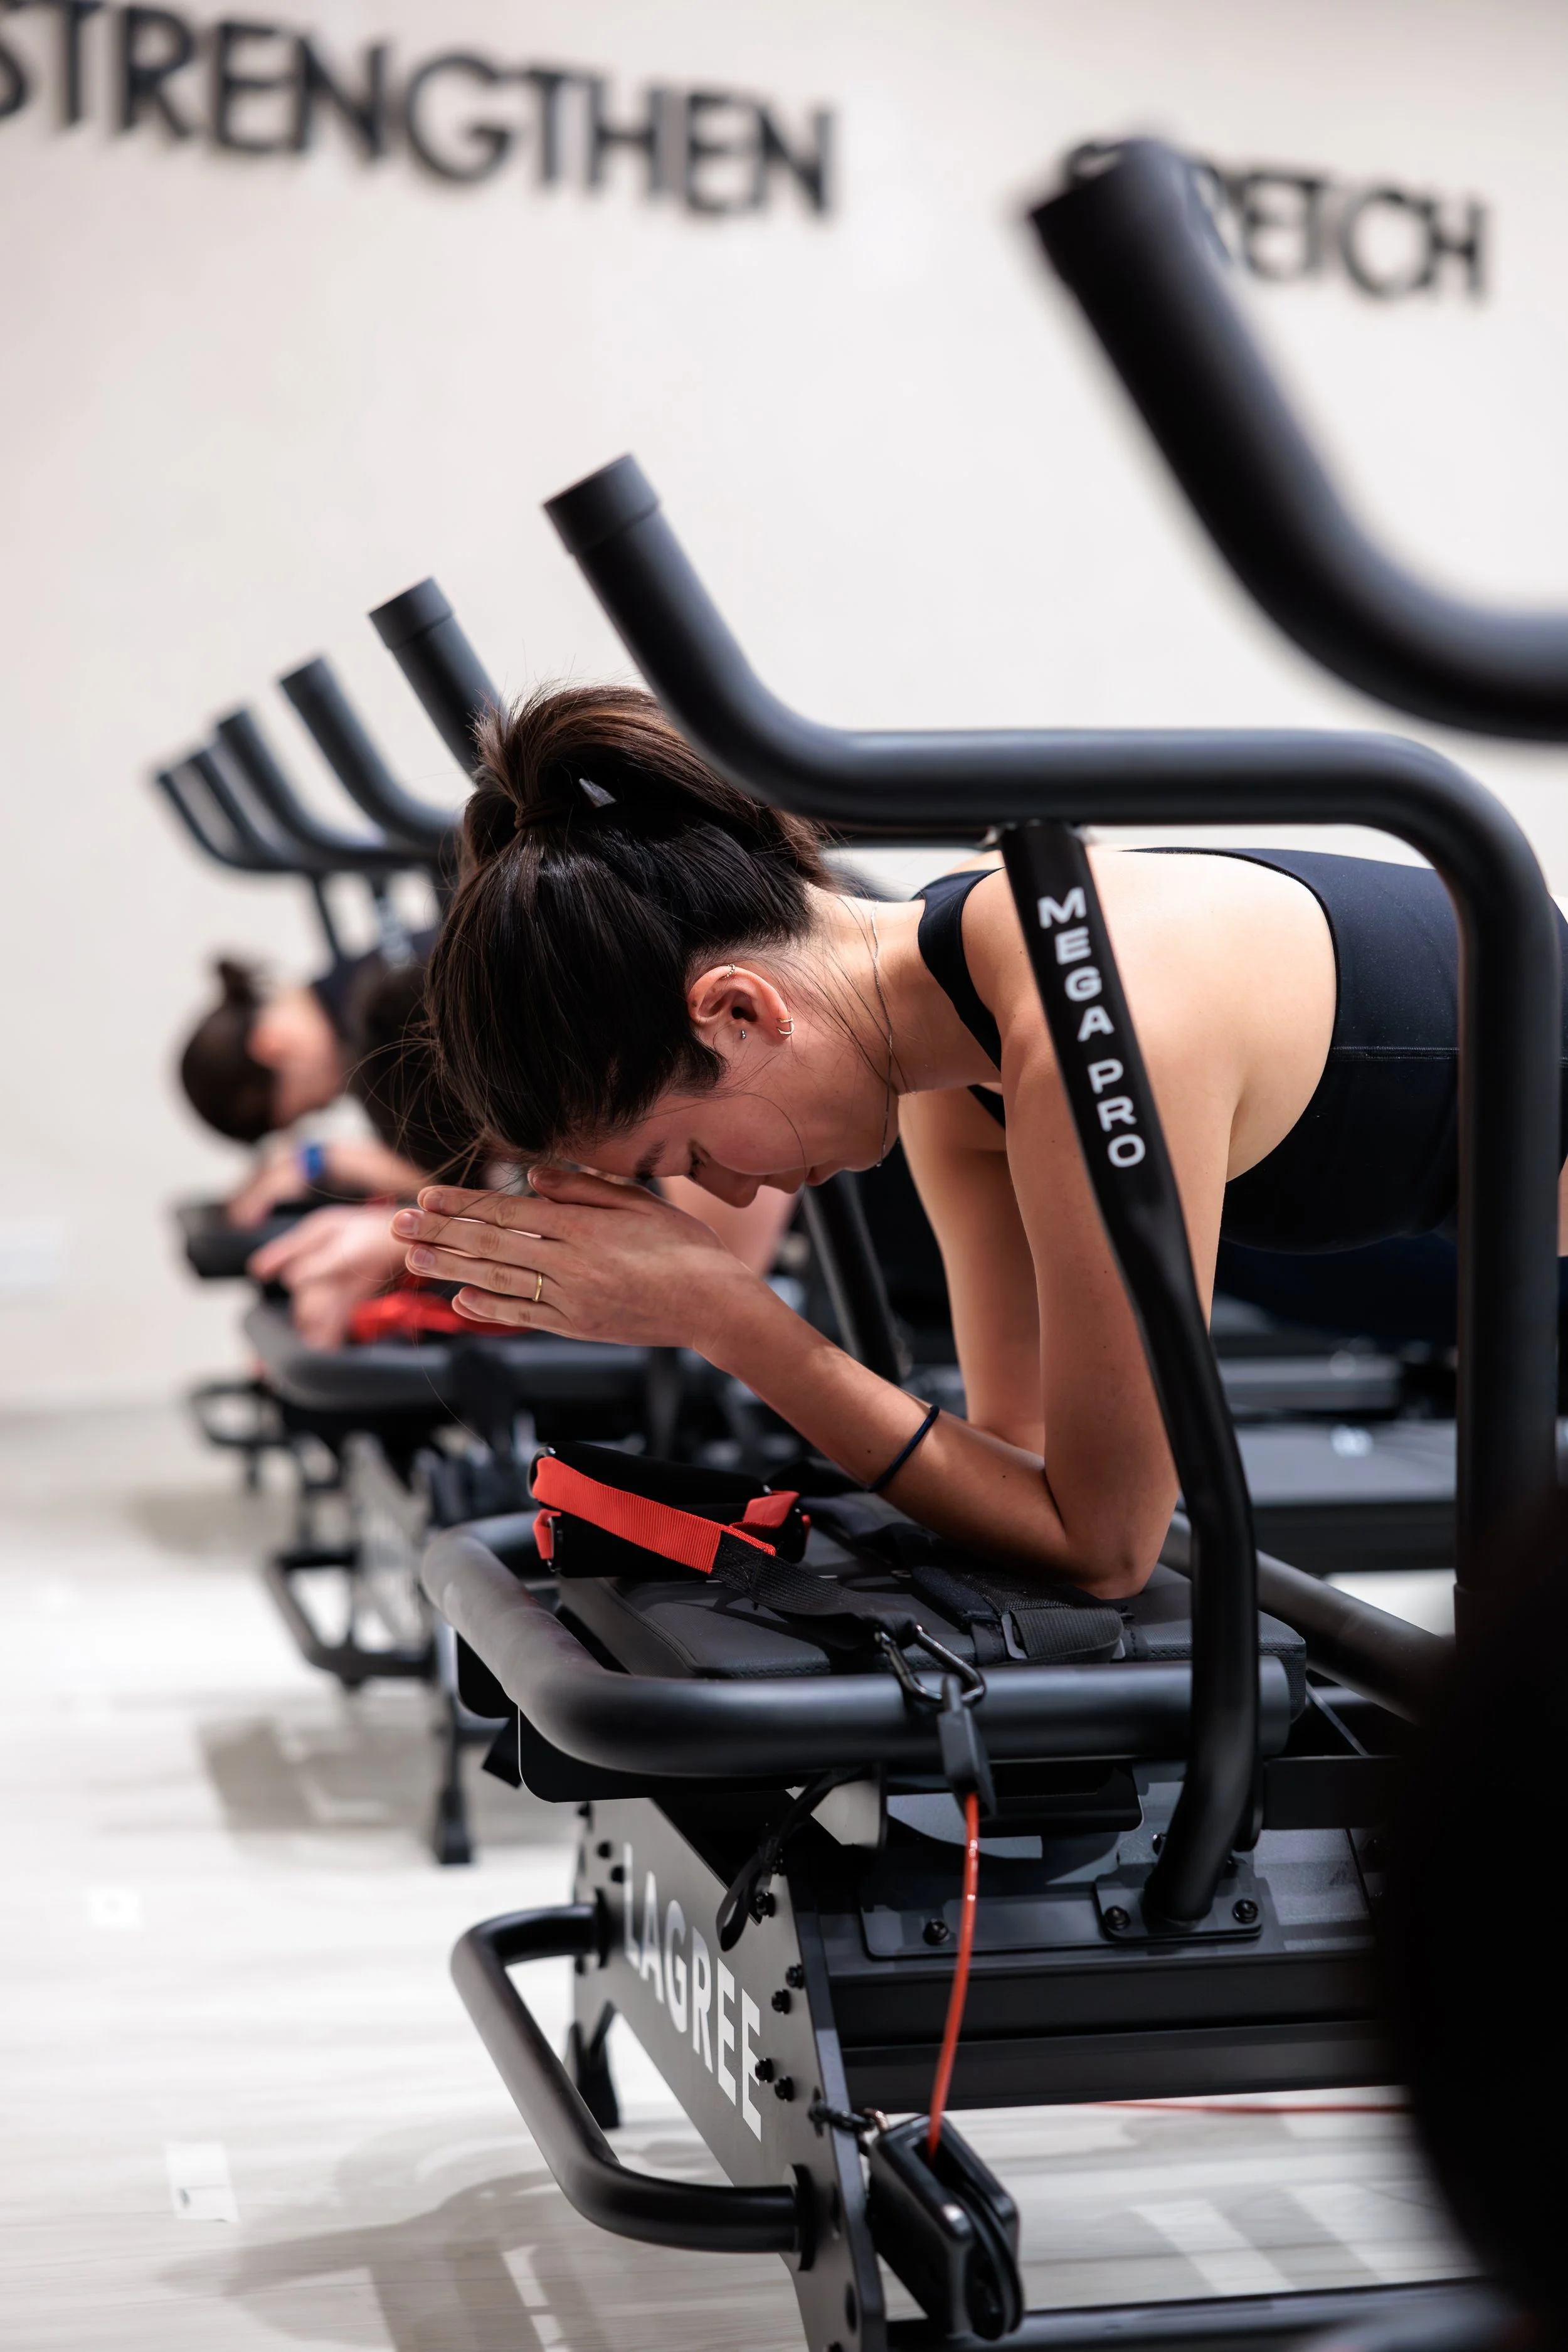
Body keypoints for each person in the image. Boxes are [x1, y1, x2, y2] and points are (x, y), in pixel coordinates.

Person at [388, 684, 1568, 1601]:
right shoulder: (968, 1046)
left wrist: (732, 1320)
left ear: (739, 1010)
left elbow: (1105, 1541)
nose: (733, 1188)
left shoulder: (1082, 1026)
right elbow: (1028, 1463)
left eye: (687, 1159)